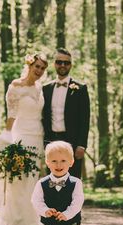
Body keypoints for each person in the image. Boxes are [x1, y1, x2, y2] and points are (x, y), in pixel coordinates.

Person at [0, 53, 48, 225]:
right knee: (16, 181)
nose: (40, 71)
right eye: (37, 67)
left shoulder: (40, 87)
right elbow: (11, 114)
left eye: (43, 68)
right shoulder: (15, 86)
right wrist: (8, 137)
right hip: (21, 136)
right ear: (30, 65)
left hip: (37, 137)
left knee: (32, 183)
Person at [42, 48, 90, 178]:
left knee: (72, 180)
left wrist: (82, 144)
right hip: (51, 140)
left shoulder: (80, 89)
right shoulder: (46, 89)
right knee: (52, 180)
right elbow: (43, 118)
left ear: (71, 65)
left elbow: (85, 119)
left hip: (72, 142)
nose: (62, 65)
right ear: (54, 64)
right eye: (59, 62)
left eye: (66, 63)